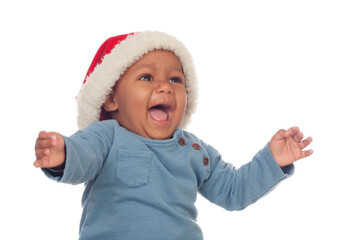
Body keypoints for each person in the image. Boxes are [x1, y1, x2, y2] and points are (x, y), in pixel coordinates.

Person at [34, 31, 313, 240]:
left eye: (175, 80)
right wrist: (63, 155)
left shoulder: (193, 149)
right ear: (110, 99)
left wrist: (272, 161)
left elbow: (233, 191)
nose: (165, 87)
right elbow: (84, 157)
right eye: (146, 78)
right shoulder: (107, 136)